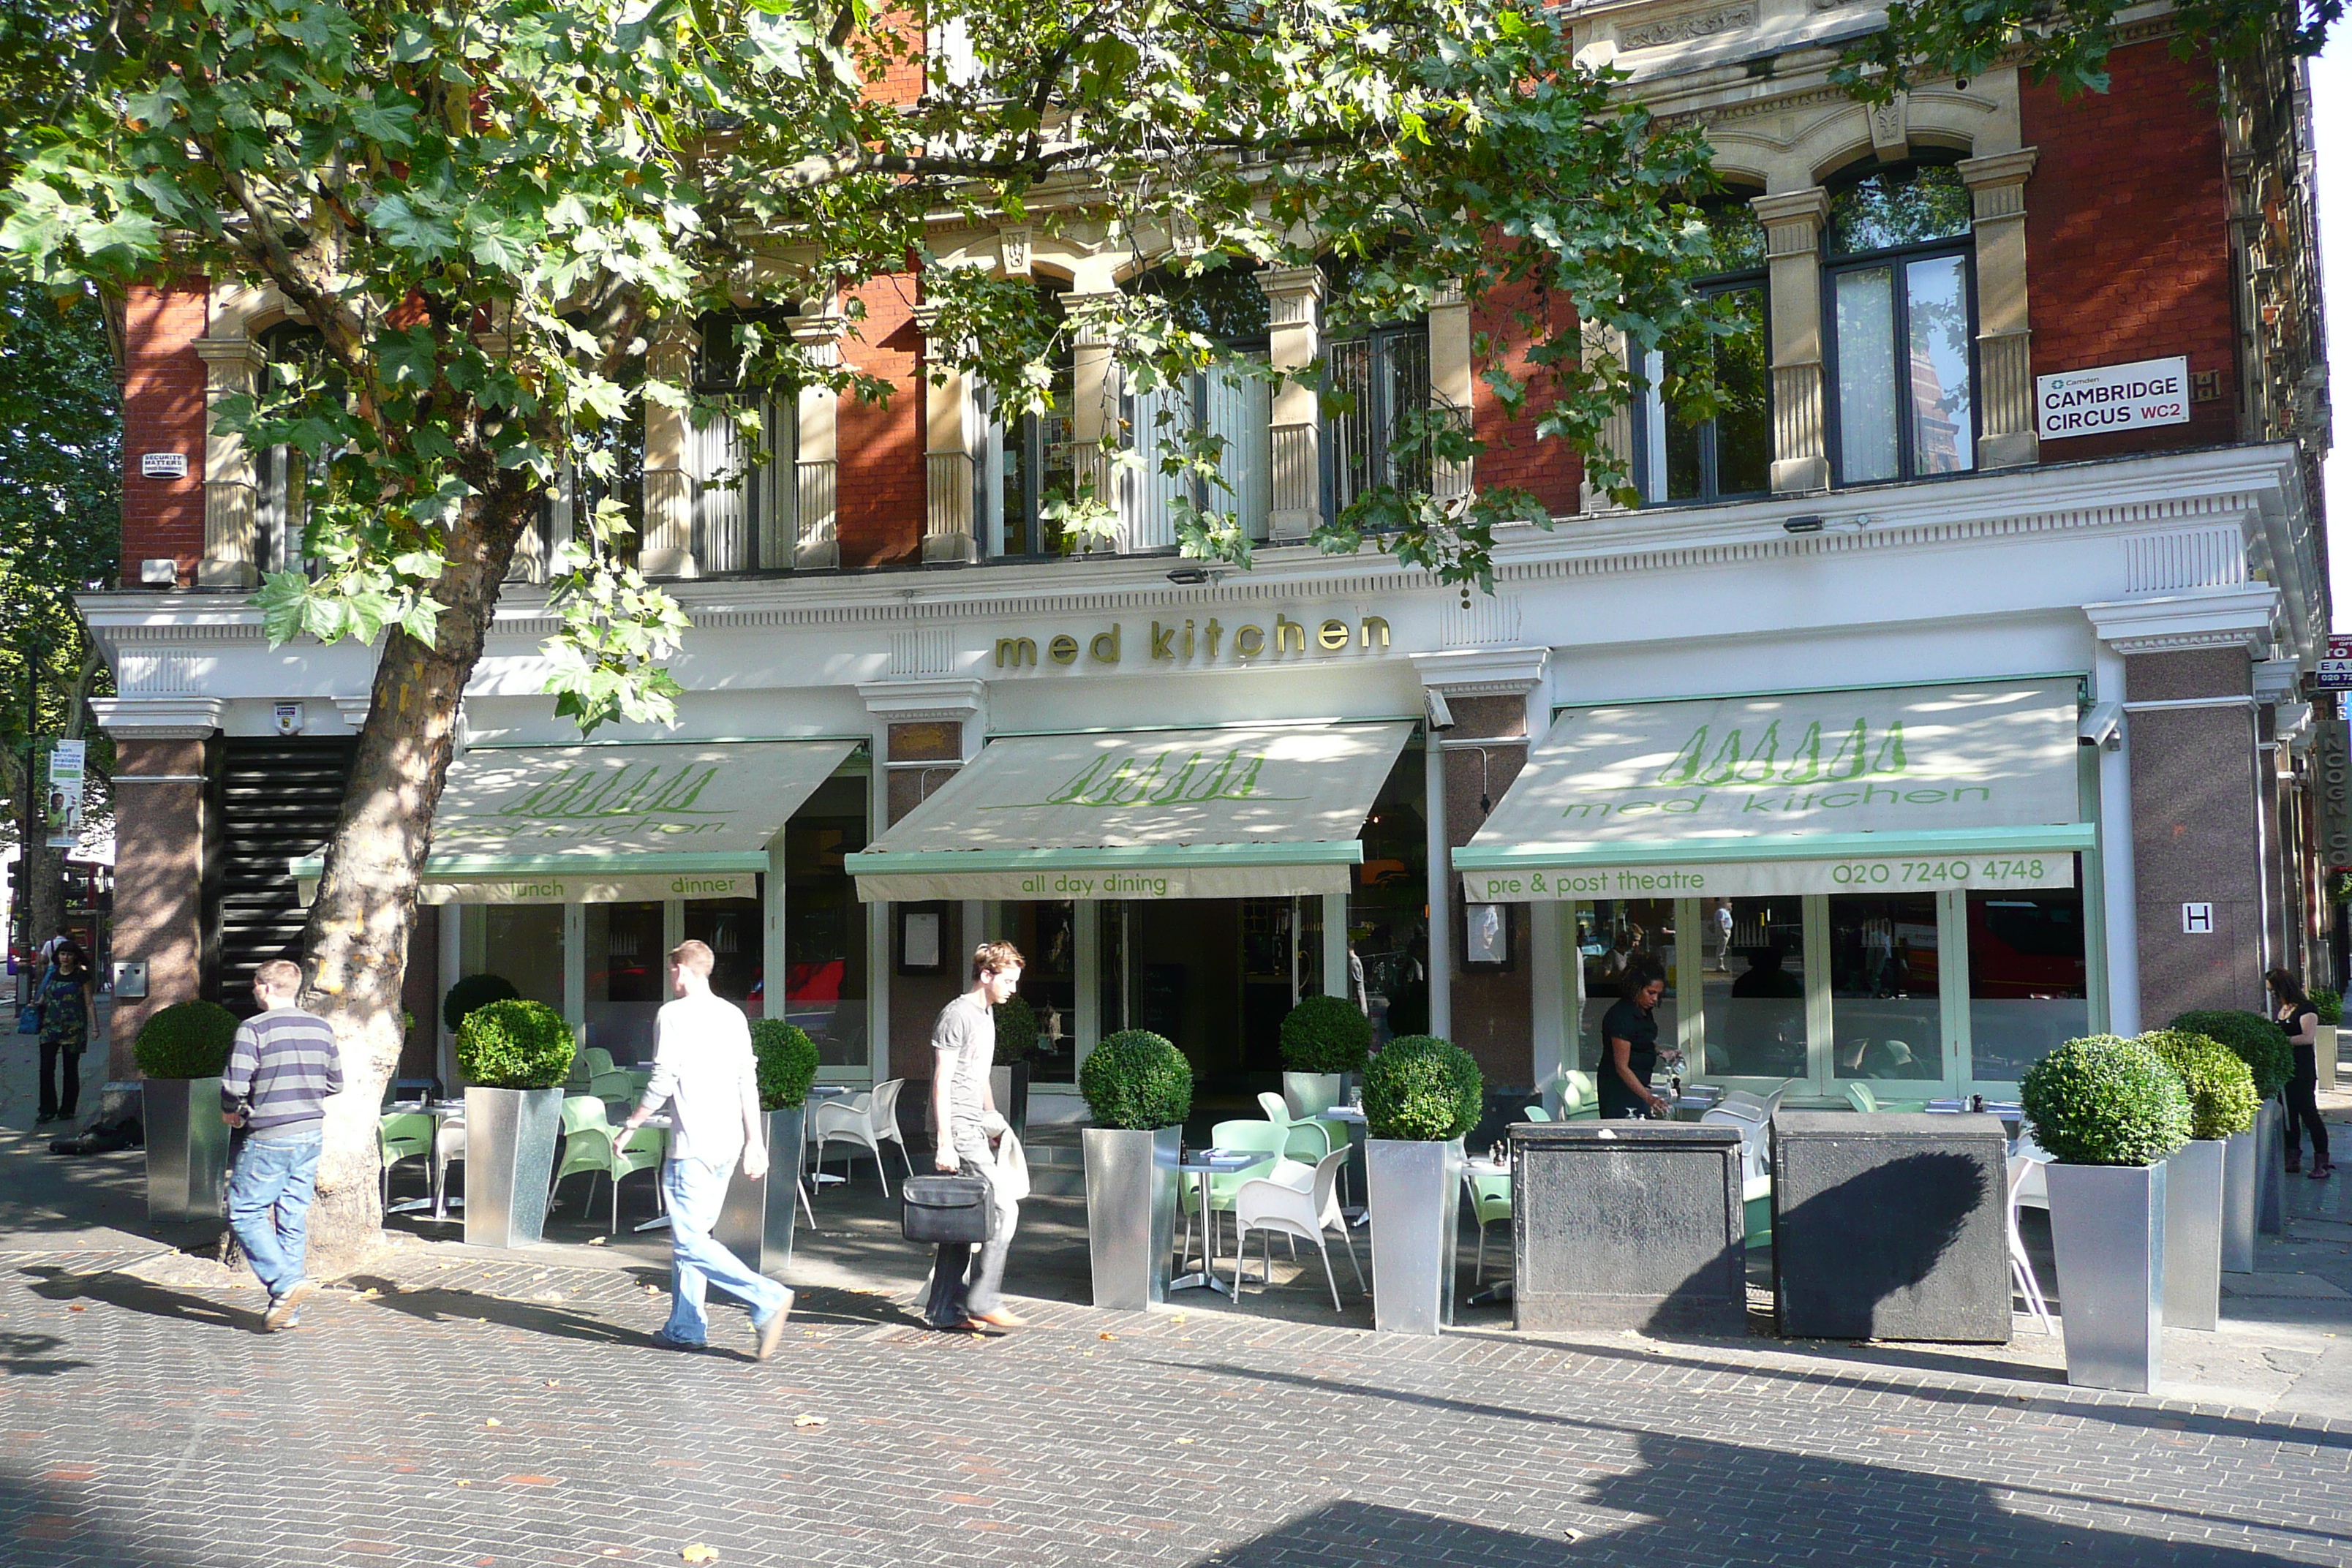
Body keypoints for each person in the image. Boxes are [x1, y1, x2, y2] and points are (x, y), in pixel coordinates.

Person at [614, 939, 794, 1357]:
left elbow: (663, 1079)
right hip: (727, 1144)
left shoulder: (672, 1015)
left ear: (681, 969)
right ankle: (685, 1327)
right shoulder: (732, 1015)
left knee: (690, 1241)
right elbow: (746, 1080)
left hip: (691, 1146)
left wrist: (632, 1124)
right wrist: (756, 1141)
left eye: (670, 970)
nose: (669, 978)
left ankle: (764, 1296)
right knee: (695, 1236)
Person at [221, 960, 343, 1330]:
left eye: (255, 986)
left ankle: (285, 1284)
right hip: (310, 1132)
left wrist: (232, 1112)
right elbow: (336, 1083)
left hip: (271, 1134)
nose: (254, 991)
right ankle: (286, 1309)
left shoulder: (253, 1029)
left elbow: (234, 1085)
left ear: (265, 987)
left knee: (244, 1210)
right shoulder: (321, 1028)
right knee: (291, 1216)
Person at [924, 940, 1027, 1332]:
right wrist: (946, 1142)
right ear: (986, 976)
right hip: (958, 1130)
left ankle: (943, 1310)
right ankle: (983, 1299)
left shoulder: (985, 1014)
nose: (1013, 989)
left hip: (973, 1126)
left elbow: (979, 1073)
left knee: (964, 1218)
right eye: (1009, 980)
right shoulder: (957, 1015)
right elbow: (942, 1079)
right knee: (1004, 1208)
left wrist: (993, 1121)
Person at [2267, 968, 2333, 1179]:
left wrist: (2281, 1041)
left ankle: (2321, 1161)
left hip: (2302, 1070)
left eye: (2273, 991)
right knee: (2289, 1113)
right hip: (2285, 1069)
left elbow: (2307, 1037)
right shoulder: (2283, 1009)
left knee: (2308, 1112)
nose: (2272, 996)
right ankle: (2293, 1157)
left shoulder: (2306, 1009)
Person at [33, 940, 94, 1126]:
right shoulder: (51, 974)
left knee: (70, 1069)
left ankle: (67, 1109)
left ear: (75, 956)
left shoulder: (81, 976)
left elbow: (89, 1002)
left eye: (68, 954)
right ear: (57, 956)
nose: (65, 958)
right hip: (50, 1027)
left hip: (73, 1028)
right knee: (46, 1068)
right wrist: (34, 1006)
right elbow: (43, 997)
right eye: (62, 954)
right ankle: (47, 1109)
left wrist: (96, 1027)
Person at [1597, 966, 1670, 1120]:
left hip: (1640, 1083)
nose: (1655, 999)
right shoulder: (1622, 1016)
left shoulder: (1643, 1011)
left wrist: (1659, 1052)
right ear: (1637, 989)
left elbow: (1639, 1041)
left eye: (1658, 994)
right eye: (1651, 993)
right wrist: (1649, 1098)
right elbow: (1621, 1066)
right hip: (1620, 1088)